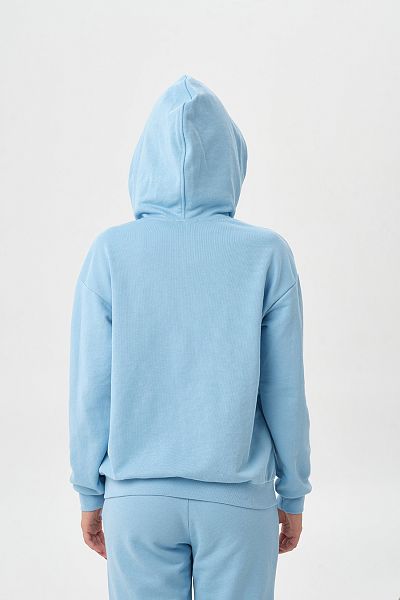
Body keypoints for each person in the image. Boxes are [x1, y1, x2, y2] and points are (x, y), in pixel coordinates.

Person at [69, 74, 312, 599]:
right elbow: (285, 391)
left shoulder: (110, 253)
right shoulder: (267, 254)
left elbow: (91, 388)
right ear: (232, 161)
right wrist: (292, 492)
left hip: (137, 503)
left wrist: (90, 490)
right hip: (238, 504)